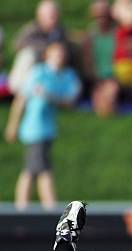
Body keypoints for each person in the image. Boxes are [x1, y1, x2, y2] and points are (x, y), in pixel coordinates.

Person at [4, 42, 81, 210]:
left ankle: (24, 207)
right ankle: (47, 207)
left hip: (48, 128)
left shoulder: (65, 74)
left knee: (31, 169)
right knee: (41, 169)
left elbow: (70, 98)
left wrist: (51, 96)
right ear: (48, 55)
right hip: (34, 128)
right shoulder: (39, 72)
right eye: (56, 54)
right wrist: (13, 124)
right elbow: (22, 98)